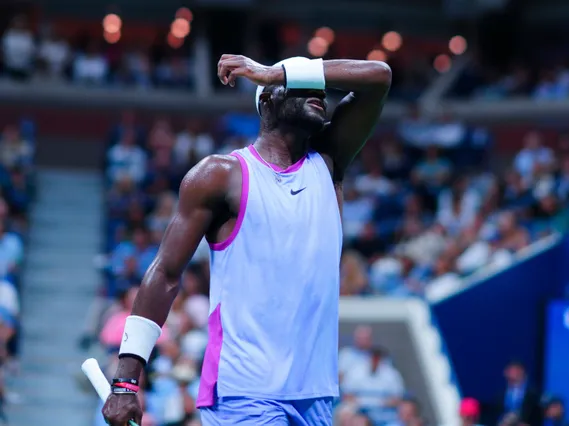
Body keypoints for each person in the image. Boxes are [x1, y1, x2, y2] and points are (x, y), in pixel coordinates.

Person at [102, 54, 392, 426]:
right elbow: (166, 273)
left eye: (316, 84)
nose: (317, 91)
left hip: (315, 394)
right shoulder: (220, 175)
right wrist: (126, 383)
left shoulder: (329, 161)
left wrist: (277, 73)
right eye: (300, 86)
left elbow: (379, 77)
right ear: (267, 101)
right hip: (244, 390)